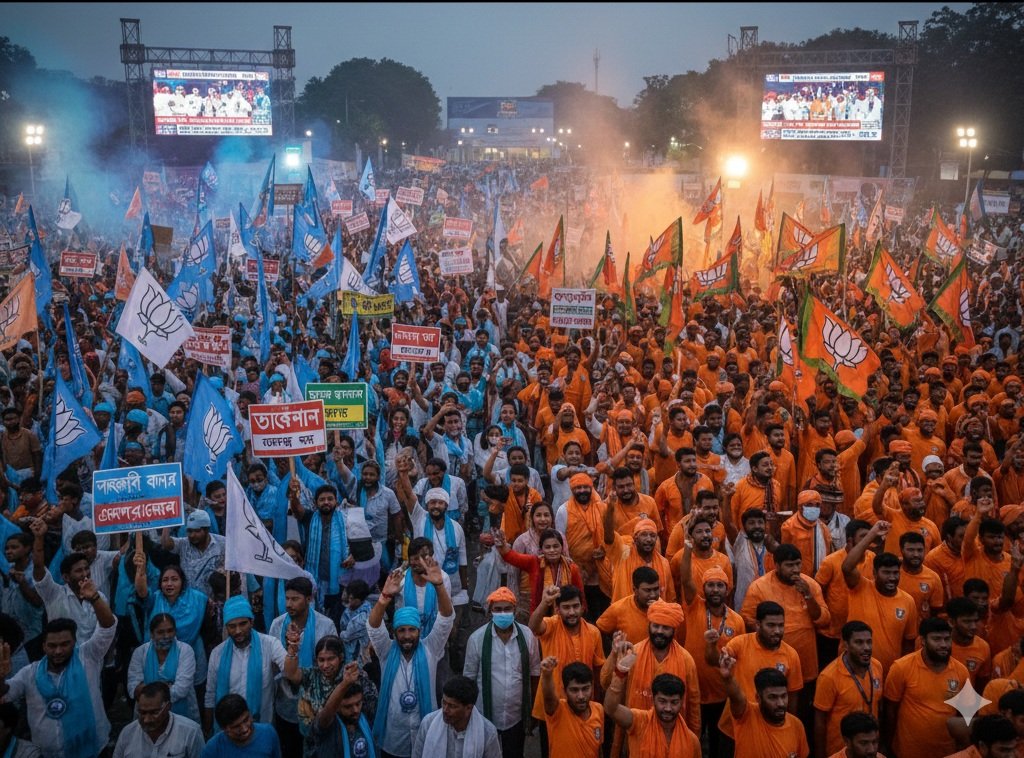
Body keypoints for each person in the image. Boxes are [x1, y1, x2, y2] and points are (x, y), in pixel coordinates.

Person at [0, 578, 117, 758]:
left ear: (74, 642)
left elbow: (107, 627)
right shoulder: (29, 673)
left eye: (64, 644)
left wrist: (94, 598)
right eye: (52, 646)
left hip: (95, 748)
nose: (58, 651)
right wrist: (1, 676)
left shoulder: (88, 656)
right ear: (43, 646)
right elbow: (5, 695)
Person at [368, 559, 455, 758]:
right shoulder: (386, 651)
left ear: (420, 631)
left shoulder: (431, 648)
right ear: (394, 633)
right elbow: (373, 627)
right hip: (393, 739)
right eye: (401, 630)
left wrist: (439, 586)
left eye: (412, 630)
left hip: (426, 737)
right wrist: (384, 598)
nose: (407, 636)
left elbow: (446, 619)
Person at [463, 586, 541, 758]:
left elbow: (535, 673)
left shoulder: (528, 636)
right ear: (490, 612)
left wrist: (534, 711)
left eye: (507, 609)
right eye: (498, 609)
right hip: (484, 714)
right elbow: (468, 680)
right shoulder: (476, 639)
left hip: (516, 716)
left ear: (515, 610)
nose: (503, 613)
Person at [528, 584, 605, 757]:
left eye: (575, 606)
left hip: (582, 703)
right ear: (557, 609)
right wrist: (544, 602)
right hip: (553, 707)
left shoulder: (593, 632)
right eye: (566, 607)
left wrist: (596, 700)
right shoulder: (551, 625)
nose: (572, 612)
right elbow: (533, 626)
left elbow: (598, 669)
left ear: (583, 607)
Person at [882, 617, 970, 758]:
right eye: (936, 639)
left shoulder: (961, 671)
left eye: (947, 639)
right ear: (923, 640)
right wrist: (888, 746)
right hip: (907, 752)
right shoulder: (901, 667)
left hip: (946, 753)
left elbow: (964, 715)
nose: (943, 644)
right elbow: (890, 711)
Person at [269, 576, 338, 754]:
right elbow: (273, 664)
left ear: (309, 599)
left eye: (295, 599)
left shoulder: (325, 625)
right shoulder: (277, 625)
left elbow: (333, 663)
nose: (289, 604)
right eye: (287, 598)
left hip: (317, 705)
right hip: (286, 702)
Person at [841, 520, 919, 674]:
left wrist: (903, 673)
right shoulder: (861, 587)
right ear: (875, 573)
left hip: (890, 674)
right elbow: (847, 567)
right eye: (886, 573)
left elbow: (908, 643)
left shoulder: (908, 601)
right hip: (854, 671)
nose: (892, 578)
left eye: (895, 573)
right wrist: (872, 534)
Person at [603, 639, 702, 758]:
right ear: (653, 699)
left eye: (674, 702)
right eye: (662, 701)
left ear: (681, 702)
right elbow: (610, 709)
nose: (668, 708)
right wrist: (620, 673)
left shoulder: (691, 741)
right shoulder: (640, 722)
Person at [204, 595, 287, 735]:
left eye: (243, 624)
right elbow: (210, 695)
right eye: (232, 626)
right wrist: (207, 729)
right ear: (226, 627)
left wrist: (292, 651)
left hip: (262, 727)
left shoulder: (270, 644)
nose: (238, 631)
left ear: (252, 622)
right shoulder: (217, 654)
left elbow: (289, 671)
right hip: (229, 729)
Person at [813, 621, 883, 758]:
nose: (866, 647)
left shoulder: (877, 667)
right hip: (840, 750)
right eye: (859, 642)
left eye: (869, 642)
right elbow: (819, 722)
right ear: (845, 645)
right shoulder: (829, 677)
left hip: (869, 750)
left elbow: (879, 706)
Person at [717, 655, 810, 758]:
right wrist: (728, 678)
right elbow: (736, 697)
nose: (780, 703)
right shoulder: (747, 716)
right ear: (758, 698)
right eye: (772, 697)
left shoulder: (797, 726)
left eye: (783, 696)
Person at [127, 613, 199, 721]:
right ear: (152, 634)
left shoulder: (185, 651)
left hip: (182, 714)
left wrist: (148, 689)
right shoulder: (140, 652)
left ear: (175, 631)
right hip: (147, 715)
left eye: (170, 631)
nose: (166, 636)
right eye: (160, 632)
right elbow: (133, 688)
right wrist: (168, 685)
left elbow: (181, 689)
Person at [411, 675, 501, 758]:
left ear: (468, 708)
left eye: (452, 706)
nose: (445, 710)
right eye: (444, 702)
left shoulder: (487, 733)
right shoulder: (428, 723)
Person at [112, 681, 205, 758]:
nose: (147, 720)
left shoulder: (191, 732)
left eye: (154, 713)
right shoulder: (127, 734)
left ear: (168, 707)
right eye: (142, 713)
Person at [304, 659, 373, 758]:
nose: (356, 710)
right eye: (348, 706)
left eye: (358, 704)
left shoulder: (366, 717)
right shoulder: (328, 726)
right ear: (336, 707)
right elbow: (326, 715)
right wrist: (345, 684)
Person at [202, 693, 282, 758]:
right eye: (236, 726)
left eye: (246, 720)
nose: (244, 729)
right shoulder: (212, 749)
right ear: (224, 729)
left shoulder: (269, 733)